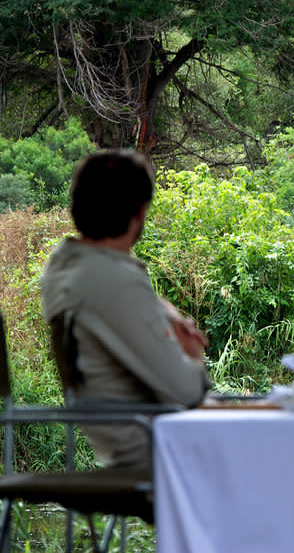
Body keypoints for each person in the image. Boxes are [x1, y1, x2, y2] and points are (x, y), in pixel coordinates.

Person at [40, 149, 211, 471]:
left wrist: (165, 311)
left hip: (125, 443)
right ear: (140, 214)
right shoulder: (116, 282)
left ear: (76, 206)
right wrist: (192, 354)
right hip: (158, 452)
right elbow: (186, 392)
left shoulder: (63, 268)